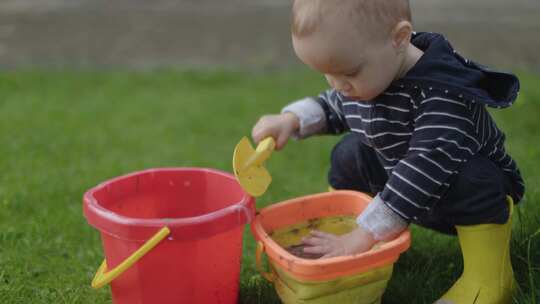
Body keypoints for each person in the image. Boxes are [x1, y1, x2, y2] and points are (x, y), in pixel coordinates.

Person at [250, 0, 525, 303]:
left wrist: (366, 234)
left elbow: (423, 169)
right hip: (398, 187)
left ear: (399, 38)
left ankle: (488, 278)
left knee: (474, 177)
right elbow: (337, 104)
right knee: (350, 152)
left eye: (348, 72)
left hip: (458, 199)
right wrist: (292, 119)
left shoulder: (442, 93)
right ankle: (363, 248)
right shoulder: (372, 73)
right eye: (328, 73)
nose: (338, 84)